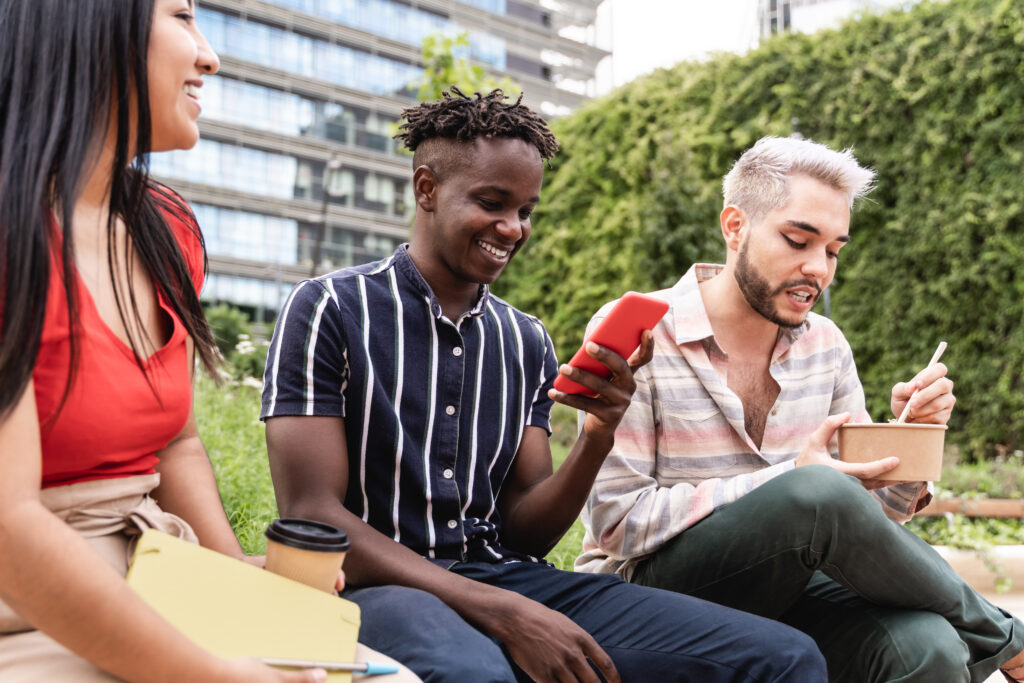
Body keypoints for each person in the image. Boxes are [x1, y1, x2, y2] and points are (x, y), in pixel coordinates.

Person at [260, 89, 828, 683]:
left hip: (507, 577)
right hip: (369, 587)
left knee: (783, 657)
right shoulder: (329, 307)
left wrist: (597, 435)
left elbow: (524, 531)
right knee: (480, 676)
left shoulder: (523, 338)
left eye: (526, 210)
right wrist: (502, 612)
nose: (512, 228)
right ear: (426, 189)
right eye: (492, 202)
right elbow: (315, 515)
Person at [0, 2, 414, 681]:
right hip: (30, 596)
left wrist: (234, 573)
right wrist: (221, 674)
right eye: (182, 17)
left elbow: (178, 440)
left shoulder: (169, 229)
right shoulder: (12, 228)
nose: (208, 55)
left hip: (162, 568)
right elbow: (10, 527)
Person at [577, 135, 1024, 682]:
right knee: (814, 493)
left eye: (834, 250)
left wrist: (910, 441)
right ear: (735, 226)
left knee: (927, 647)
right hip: (652, 597)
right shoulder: (640, 332)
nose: (819, 268)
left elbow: (867, 518)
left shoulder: (826, 345)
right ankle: (1007, 639)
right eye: (798, 240)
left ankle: (995, 642)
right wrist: (792, 485)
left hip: (795, 589)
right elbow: (617, 521)